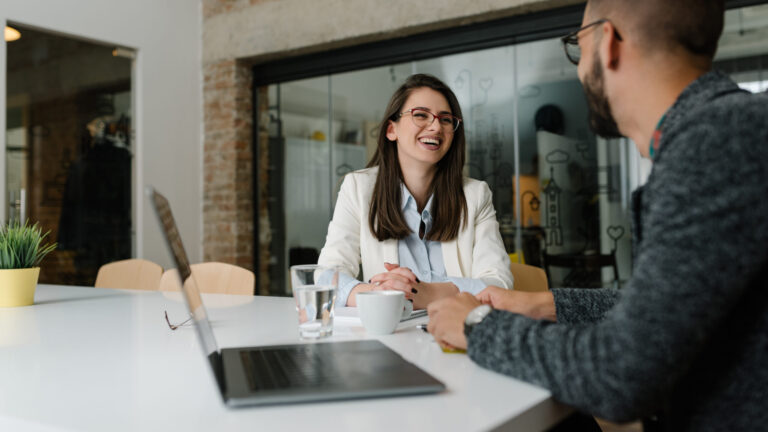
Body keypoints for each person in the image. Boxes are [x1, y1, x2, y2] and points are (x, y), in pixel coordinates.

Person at [427, 0, 768, 430]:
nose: (578, 67)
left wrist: (478, 326)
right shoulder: (724, 133)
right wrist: (545, 304)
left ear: (607, 43)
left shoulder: (714, 145)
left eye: (577, 47)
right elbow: (661, 312)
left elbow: (622, 372)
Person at [318, 74, 513, 310]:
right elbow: (327, 276)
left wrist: (430, 293)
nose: (435, 126)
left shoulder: (476, 195)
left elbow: (499, 284)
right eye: (421, 115)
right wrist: (381, 292)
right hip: (391, 334)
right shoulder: (358, 188)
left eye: (446, 119)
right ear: (391, 129)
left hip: (459, 333)